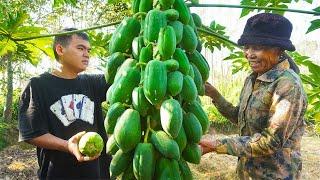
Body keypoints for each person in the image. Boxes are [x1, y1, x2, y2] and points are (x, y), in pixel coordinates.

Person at [199, 13, 307, 179]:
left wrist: (218, 145)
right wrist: (215, 95)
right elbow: (242, 119)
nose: (249, 54)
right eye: (246, 47)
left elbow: (272, 141)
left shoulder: (288, 85)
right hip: (248, 172)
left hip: (274, 174)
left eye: (256, 48)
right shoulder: (253, 78)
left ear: (278, 50)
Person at [18, 28, 111, 179]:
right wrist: (67, 146)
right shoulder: (37, 85)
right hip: (57, 173)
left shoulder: (94, 83)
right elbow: (31, 133)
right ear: (60, 49)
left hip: (96, 173)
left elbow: (124, 74)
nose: (87, 54)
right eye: (80, 48)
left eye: (88, 50)